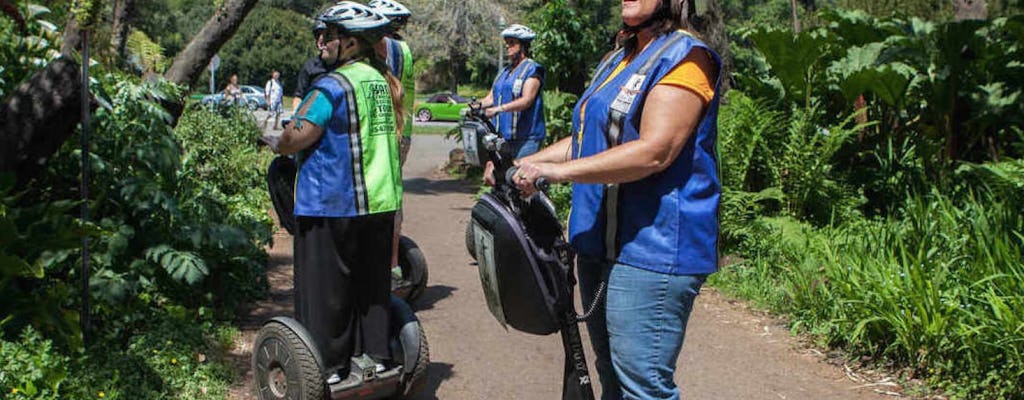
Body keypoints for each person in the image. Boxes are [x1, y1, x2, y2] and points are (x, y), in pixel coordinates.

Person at [510, 0, 722, 398]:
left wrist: (554, 173)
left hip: (653, 250)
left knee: (642, 387)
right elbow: (588, 140)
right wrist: (528, 162)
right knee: (610, 377)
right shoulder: (620, 58)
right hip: (599, 243)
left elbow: (654, 151)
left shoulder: (687, 58)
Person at [269, 1, 404, 386]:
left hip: (332, 200)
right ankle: (377, 359)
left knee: (327, 291)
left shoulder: (332, 85)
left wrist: (278, 143)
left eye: (329, 35)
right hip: (378, 201)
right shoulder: (381, 81)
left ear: (350, 42)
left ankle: (330, 369)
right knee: (371, 289)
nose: (323, 41)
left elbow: (299, 134)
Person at [368, 0, 415, 286]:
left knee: (380, 195)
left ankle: (387, 266)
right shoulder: (404, 49)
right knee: (391, 193)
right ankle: (392, 265)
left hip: (388, 132)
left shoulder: (385, 50)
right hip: (401, 133)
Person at [478, 23, 546, 182]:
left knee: (521, 181)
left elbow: (527, 99)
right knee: (498, 179)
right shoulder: (504, 72)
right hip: (502, 138)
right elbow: (491, 98)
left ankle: (531, 206)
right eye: (507, 43)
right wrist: (474, 107)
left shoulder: (533, 69)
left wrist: (498, 109)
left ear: (523, 45)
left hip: (526, 138)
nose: (508, 47)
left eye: (512, 43)